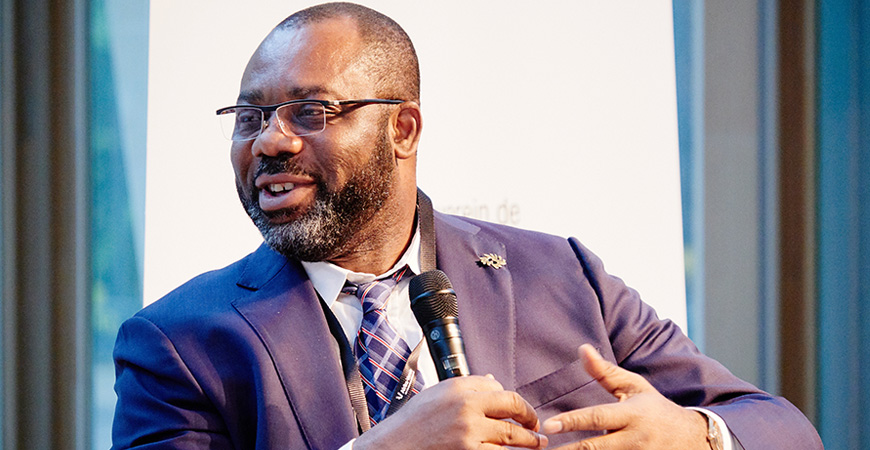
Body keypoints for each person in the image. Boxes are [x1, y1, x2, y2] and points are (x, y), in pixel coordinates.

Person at [111, 3, 823, 449]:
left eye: (310, 112)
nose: (269, 141)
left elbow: (782, 428)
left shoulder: (564, 275)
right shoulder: (180, 343)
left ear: (403, 128)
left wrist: (698, 436)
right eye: (250, 118)